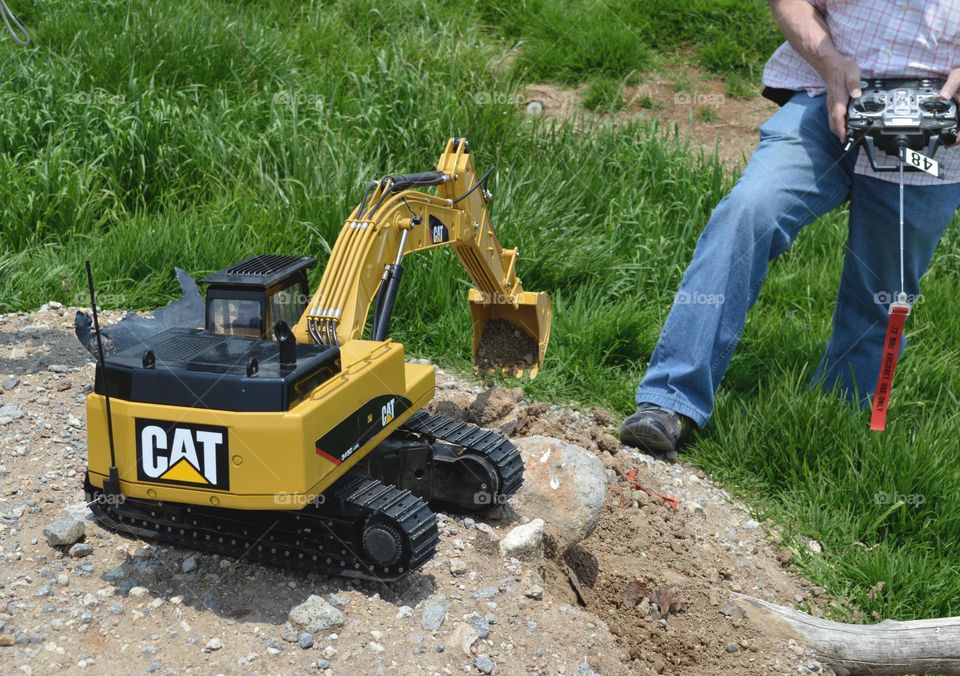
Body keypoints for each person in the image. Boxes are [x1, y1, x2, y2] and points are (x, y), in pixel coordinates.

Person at [620, 0, 960, 459]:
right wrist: (830, 63)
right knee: (747, 212)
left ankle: (834, 427)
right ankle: (668, 400)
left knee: (883, 292)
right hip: (825, 100)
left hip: (935, 143)